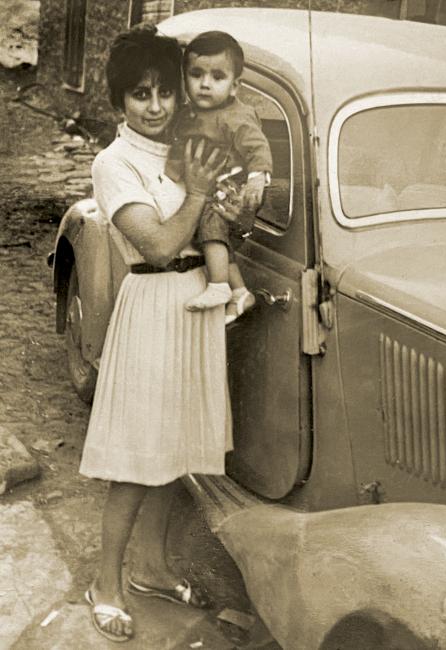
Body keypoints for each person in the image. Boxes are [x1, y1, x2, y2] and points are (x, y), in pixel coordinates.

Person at [79, 24, 238, 643]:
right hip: (152, 307)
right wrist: (199, 193)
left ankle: (150, 567)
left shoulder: (181, 147)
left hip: (194, 305)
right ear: (119, 102)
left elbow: (210, 233)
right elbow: (163, 241)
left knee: (175, 455)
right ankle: (106, 583)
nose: (155, 106)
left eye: (165, 93)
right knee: (136, 461)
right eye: (140, 95)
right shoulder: (113, 163)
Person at [166, 30, 273, 325]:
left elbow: (257, 147)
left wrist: (256, 179)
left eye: (217, 77)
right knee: (213, 237)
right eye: (196, 74)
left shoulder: (237, 115)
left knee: (212, 223)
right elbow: (178, 145)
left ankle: (218, 286)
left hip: (229, 187)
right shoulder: (187, 114)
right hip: (204, 186)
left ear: (235, 85)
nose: (204, 84)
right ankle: (240, 292)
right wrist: (171, 172)